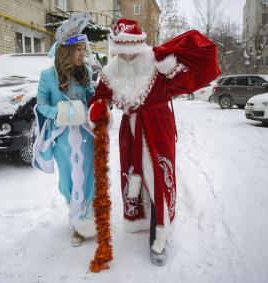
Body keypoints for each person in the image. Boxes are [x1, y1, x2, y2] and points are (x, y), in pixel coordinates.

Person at [89, 18, 220, 265]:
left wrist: (170, 67)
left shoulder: (156, 63)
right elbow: (102, 97)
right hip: (130, 130)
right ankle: (139, 217)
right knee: (133, 173)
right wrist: (98, 108)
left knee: (158, 177)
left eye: (132, 53)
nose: (127, 58)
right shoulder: (110, 71)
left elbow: (184, 84)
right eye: (122, 53)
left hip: (158, 127)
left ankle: (159, 234)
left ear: (139, 47)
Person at [32, 11, 96, 247]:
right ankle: (77, 217)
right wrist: (62, 113)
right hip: (62, 139)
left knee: (88, 178)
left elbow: (90, 99)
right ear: (66, 51)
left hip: (86, 136)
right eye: (78, 50)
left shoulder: (85, 72)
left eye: (83, 49)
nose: (83, 54)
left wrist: (99, 104)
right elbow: (41, 105)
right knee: (69, 181)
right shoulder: (47, 76)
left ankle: (83, 224)